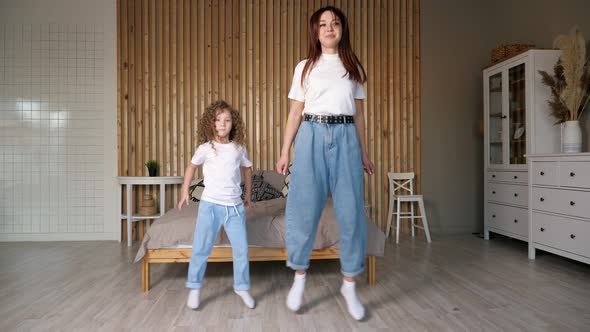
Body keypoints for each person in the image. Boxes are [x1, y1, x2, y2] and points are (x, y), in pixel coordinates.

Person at [276, 6, 375, 321]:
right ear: (315, 31)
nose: (329, 28)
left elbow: (359, 115)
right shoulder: (304, 67)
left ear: (342, 29)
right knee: (303, 209)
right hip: (311, 135)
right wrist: (284, 150)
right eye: (323, 24)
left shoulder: (353, 66)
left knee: (351, 211)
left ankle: (349, 284)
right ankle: (299, 279)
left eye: (334, 23)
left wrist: (363, 151)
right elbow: (294, 113)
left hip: (346, 137)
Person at [178, 100, 255, 310]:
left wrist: (248, 195)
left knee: (241, 251)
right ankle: (194, 287)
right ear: (211, 123)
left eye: (227, 120)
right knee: (201, 249)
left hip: (235, 209)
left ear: (233, 123)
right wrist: (185, 191)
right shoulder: (205, 148)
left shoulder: (239, 149)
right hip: (210, 206)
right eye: (218, 120)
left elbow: (247, 170)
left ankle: (242, 287)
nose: (222, 124)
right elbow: (191, 167)